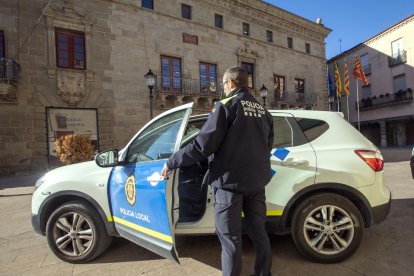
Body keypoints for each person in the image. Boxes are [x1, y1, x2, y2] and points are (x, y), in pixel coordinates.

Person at [161, 66, 274, 276]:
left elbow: (203, 145)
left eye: (223, 84)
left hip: (230, 182)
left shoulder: (225, 106)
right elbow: (267, 146)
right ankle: (263, 273)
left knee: (230, 238)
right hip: (257, 182)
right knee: (259, 232)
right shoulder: (263, 111)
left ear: (230, 83)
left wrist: (172, 161)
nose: (223, 89)